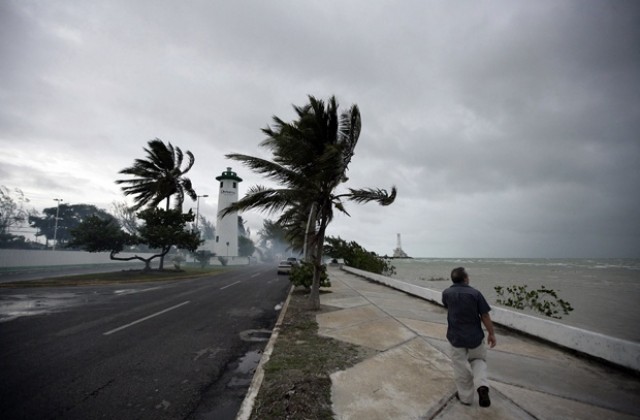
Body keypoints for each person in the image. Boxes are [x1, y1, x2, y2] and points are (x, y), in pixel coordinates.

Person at [442, 267, 496, 407]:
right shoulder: (475, 294)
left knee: (460, 366)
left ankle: (466, 398)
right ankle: (482, 386)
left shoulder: (446, 293)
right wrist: (491, 333)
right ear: (465, 278)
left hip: (455, 337)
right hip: (475, 337)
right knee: (478, 360)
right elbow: (484, 315)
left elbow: (447, 306)